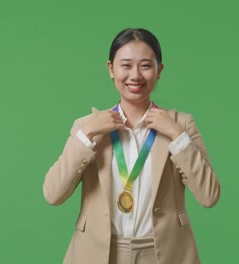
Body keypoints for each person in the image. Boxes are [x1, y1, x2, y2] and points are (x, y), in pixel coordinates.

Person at [43, 28, 220, 264]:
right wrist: (87, 135)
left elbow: (209, 196)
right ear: (111, 69)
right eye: (126, 65)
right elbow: (53, 194)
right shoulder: (87, 126)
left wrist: (177, 136)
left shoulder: (181, 124)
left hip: (164, 254)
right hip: (98, 254)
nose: (135, 75)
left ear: (159, 71)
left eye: (146, 66)